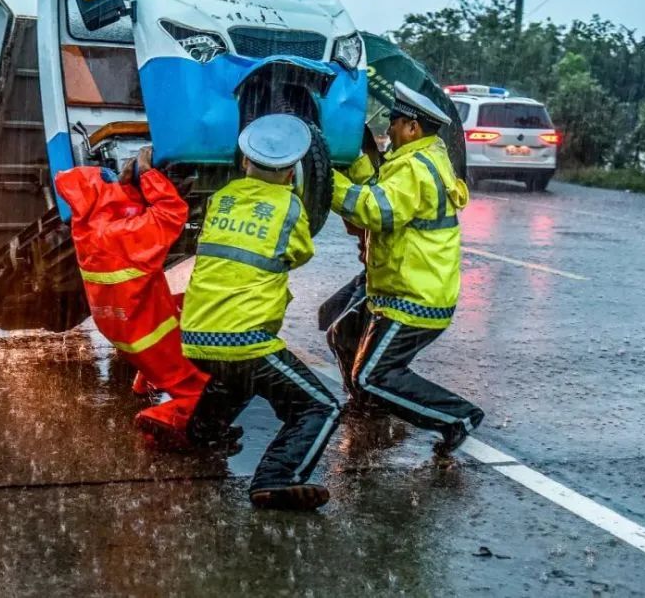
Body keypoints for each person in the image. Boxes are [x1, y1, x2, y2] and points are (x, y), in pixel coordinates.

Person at [182, 114, 340, 511]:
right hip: (245, 338)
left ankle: (201, 434)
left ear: (244, 161)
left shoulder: (222, 197)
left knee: (233, 378)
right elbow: (300, 253)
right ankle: (275, 477)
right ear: (290, 172)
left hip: (196, 335)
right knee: (321, 406)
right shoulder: (289, 207)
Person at [330, 81, 484, 457]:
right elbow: (379, 188)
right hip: (396, 289)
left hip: (414, 297)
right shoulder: (417, 159)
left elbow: (376, 210)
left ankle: (458, 417)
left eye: (394, 123)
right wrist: (353, 158)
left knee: (374, 373)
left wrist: (327, 181)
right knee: (344, 334)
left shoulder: (416, 168)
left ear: (413, 127)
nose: (389, 130)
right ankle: (372, 404)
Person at [54, 146, 211, 444]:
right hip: (147, 330)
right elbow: (171, 214)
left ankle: (148, 378)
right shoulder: (121, 235)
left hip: (122, 323)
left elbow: (117, 209)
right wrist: (149, 175)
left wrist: (130, 187)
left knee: (188, 304)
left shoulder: (86, 228)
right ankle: (160, 419)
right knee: (199, 389)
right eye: (110, 182)